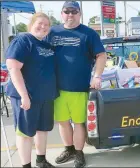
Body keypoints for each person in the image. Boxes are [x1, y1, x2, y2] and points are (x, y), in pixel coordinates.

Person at [45, 1, 107, 167]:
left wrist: (97, 76)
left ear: (79, 14)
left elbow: (101, 55)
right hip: (56, 88)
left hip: (79, 87)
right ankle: (69, 149)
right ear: (61, 14)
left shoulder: (88, 34)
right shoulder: (52, 32)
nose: (70, 15)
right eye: (67, 11)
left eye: (74, 11)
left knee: (79, 122)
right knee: (63, 122)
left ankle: (79, 153)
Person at [5, 13, 57, 168]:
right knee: (26, 133)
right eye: (40, 23)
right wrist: (24, 96)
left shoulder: (46, 44)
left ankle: (41, 161)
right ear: (31, 24)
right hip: (27, 96)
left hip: (45, 96)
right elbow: (13, 68)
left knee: (43, 130)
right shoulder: (23, 40)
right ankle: (25, 165)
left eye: (46, 25)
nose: (43, 27)